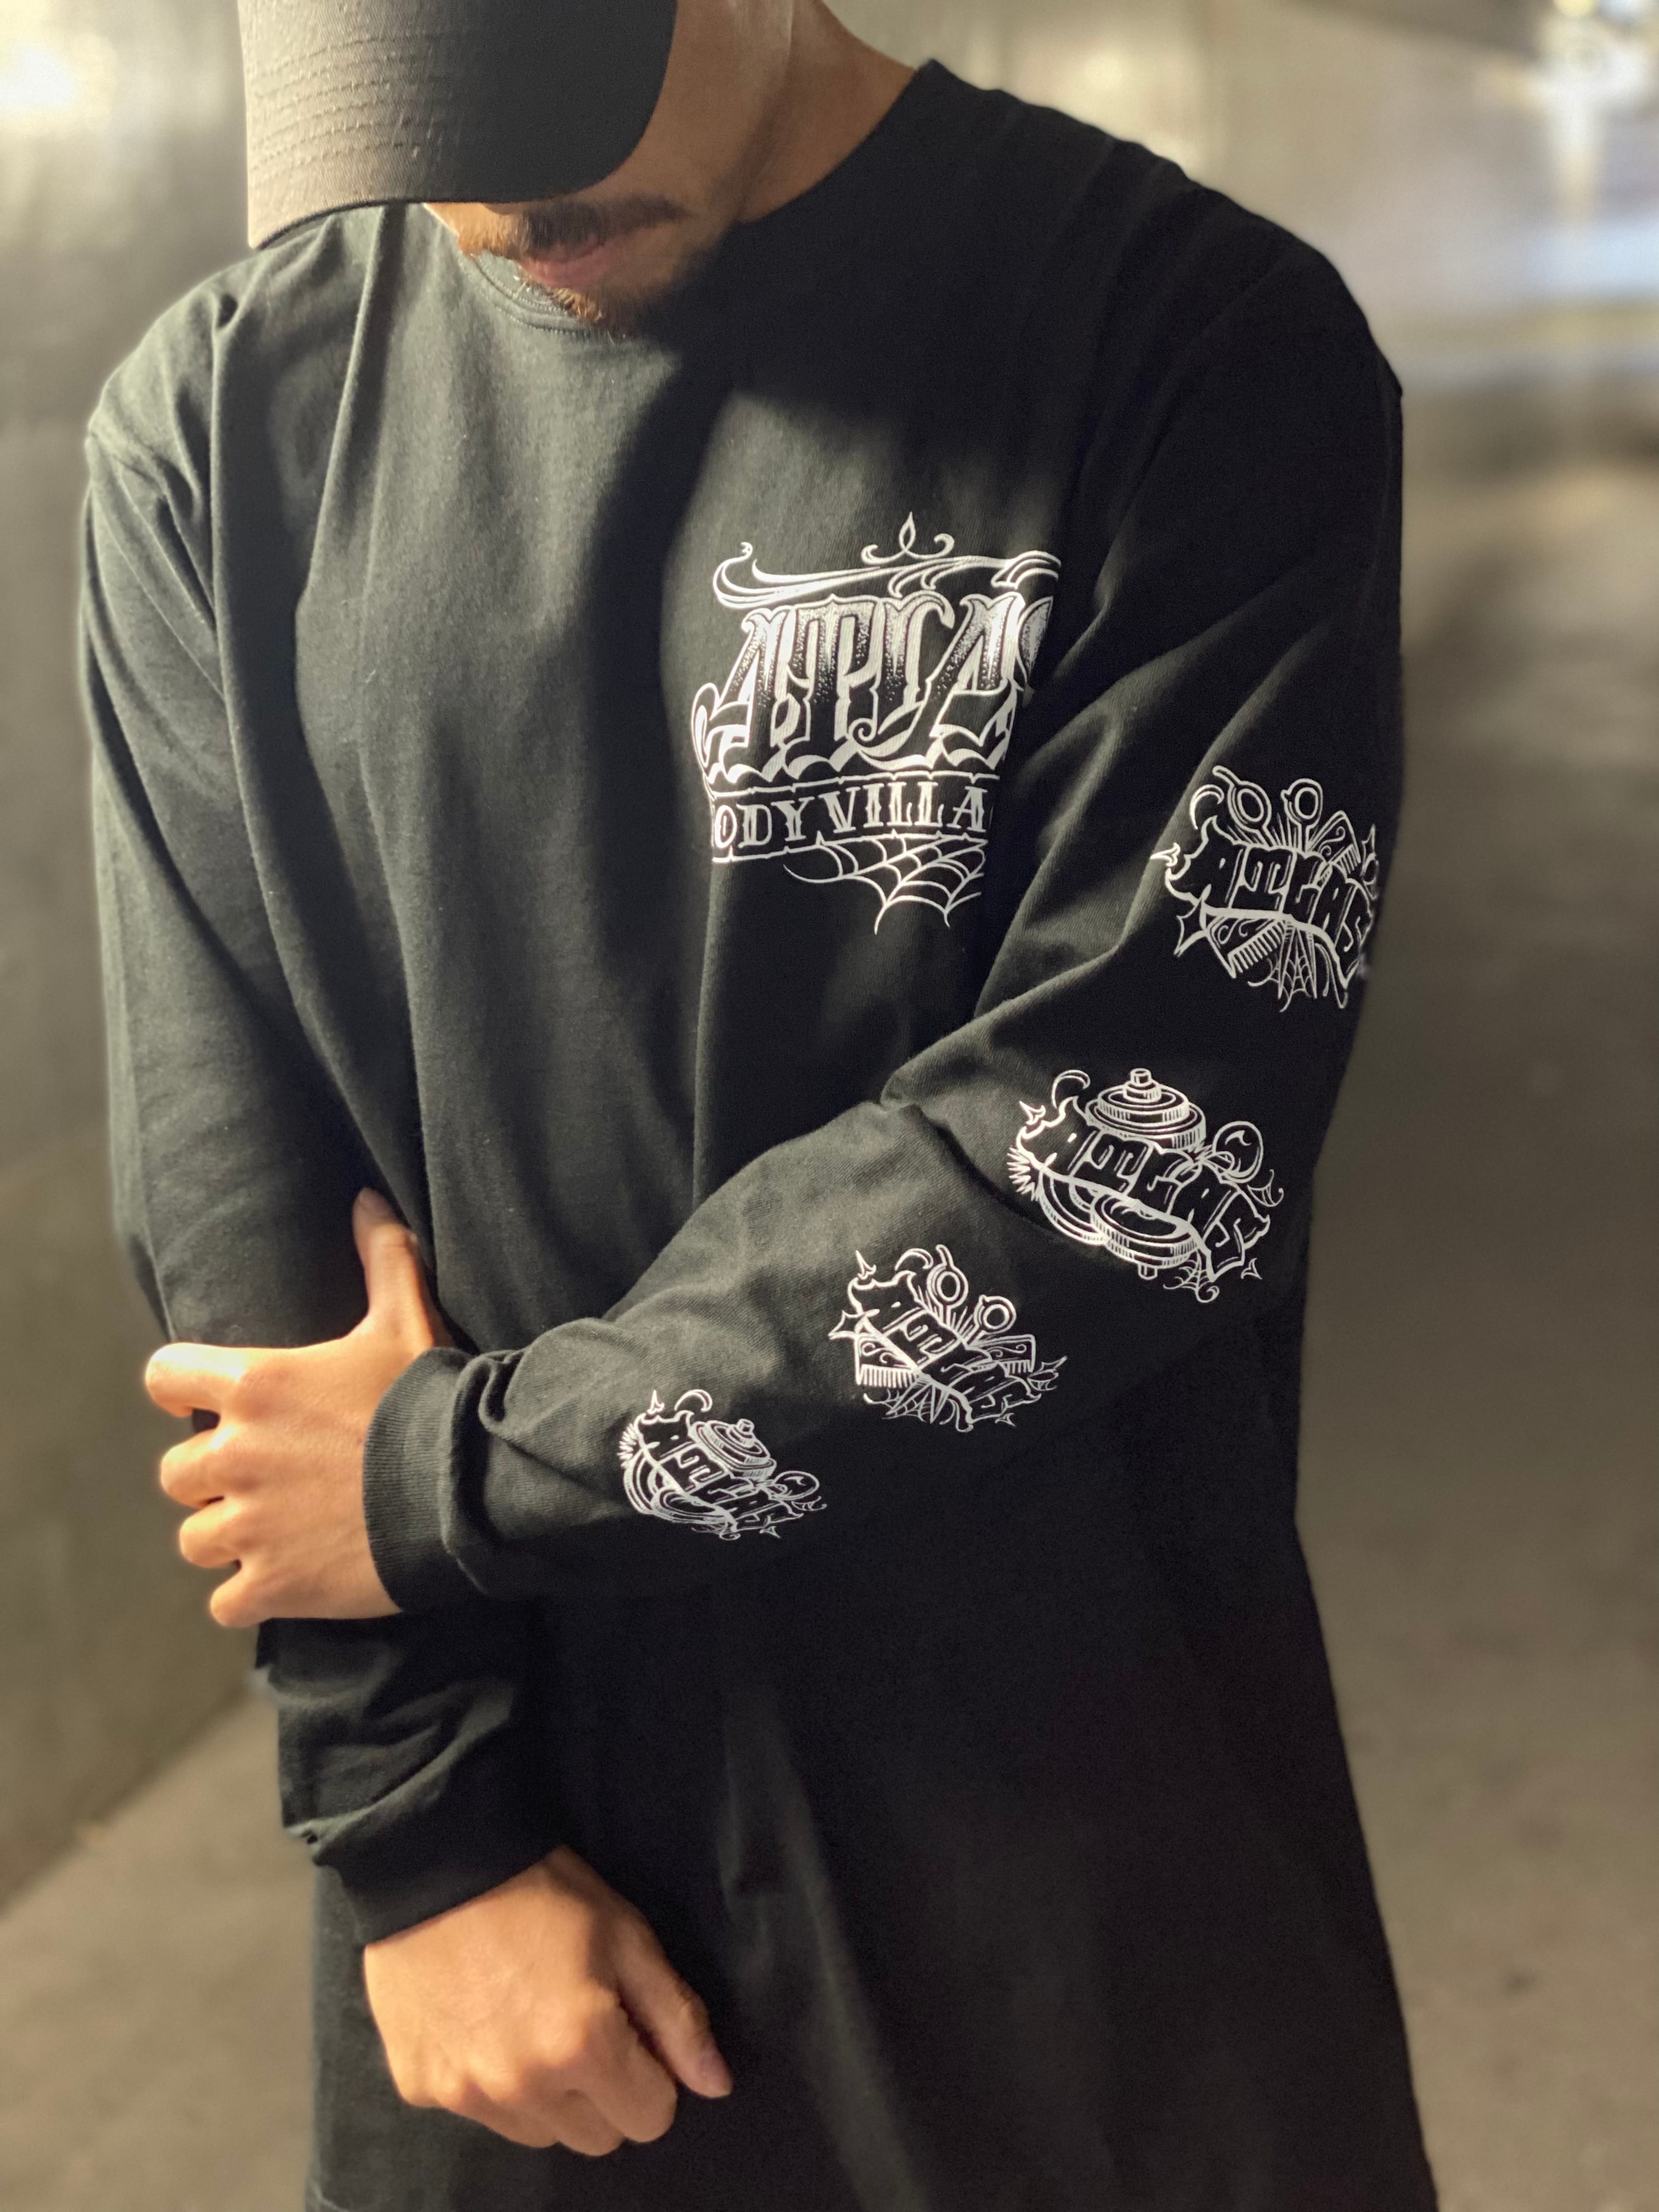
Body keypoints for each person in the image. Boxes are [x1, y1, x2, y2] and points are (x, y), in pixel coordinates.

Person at [81, 0, 1437, 2205]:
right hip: (524, 1913)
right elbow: (234, 1181)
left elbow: (1123, 1143)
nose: (504, 207)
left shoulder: (1189, 348)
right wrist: (419, 1834)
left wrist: (451, 1474)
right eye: (417, 128)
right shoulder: (214, 426)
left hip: (1067, 1840)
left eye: (551, 97)